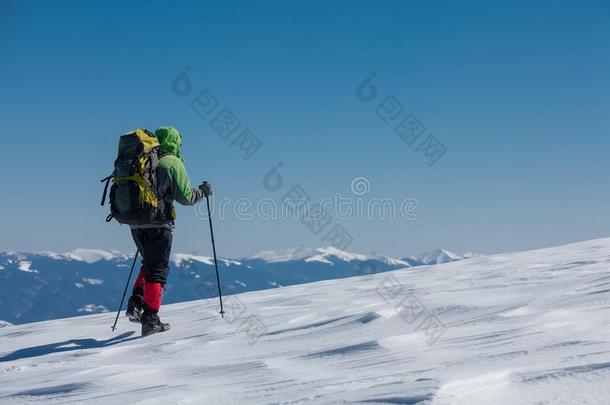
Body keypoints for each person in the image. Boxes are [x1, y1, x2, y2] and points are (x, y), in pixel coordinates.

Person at [125, 126, 212, 336]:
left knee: (149, 265)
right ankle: (150, 319)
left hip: (135, 223)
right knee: (158, 270)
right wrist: (204, 191)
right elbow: (186, 198)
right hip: (159, 224)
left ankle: (136, 304)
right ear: (174, 142)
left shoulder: (143, 158)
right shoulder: (172, 162)